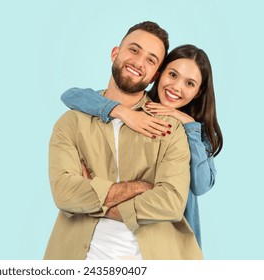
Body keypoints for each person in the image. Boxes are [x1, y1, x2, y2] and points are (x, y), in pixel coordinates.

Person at [44, 21, 203, 260]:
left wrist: (95, 197)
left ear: (155, 75)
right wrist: (140, 187)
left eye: (151, 60)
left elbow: (171, 203)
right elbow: (65, 194)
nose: (139, 62)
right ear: (115, 53)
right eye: (134, 50)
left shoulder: (170, 127)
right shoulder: (71, 123)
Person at [60, 44, 223, 248]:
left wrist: (189, 125)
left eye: (190, 83)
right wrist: (122, 112)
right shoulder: (135, 106)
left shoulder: (199, 132)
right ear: (158, 74)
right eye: (172, 75)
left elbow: (200, 185)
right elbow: (71, 95)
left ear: (198, 92)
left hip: (165, 237)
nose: (176, 87)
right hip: (111, 237)